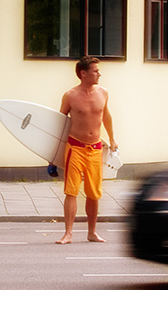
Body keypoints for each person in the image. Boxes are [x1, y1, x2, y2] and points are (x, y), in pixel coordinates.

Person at [56, 56, 116, 244]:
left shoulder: (103, 93)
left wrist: (113, 140)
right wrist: (53, 155)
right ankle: (68, 233)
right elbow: (60, 123)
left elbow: (106, 117)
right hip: (75, 147)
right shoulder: (70, 95)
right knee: (71, 191)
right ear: (83, 73)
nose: (99, 73)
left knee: (93, 193)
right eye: (95, 71)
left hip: (96, 148)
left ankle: (92, 232)